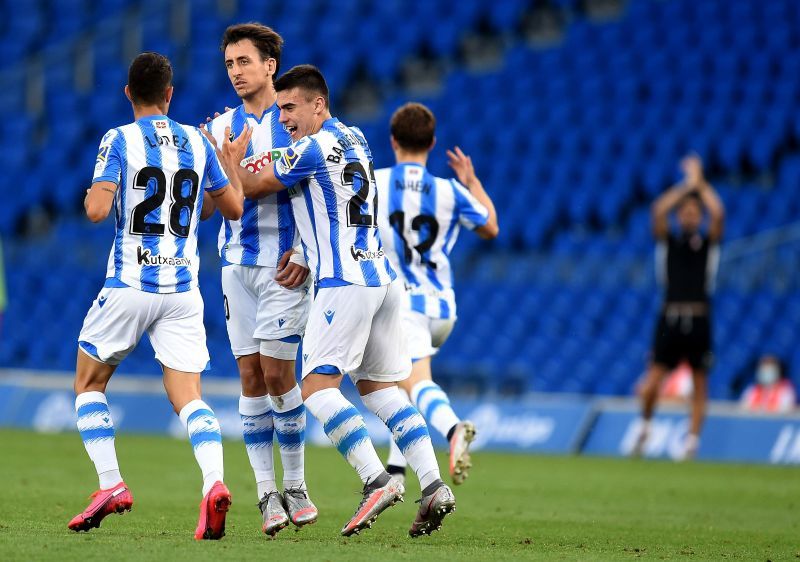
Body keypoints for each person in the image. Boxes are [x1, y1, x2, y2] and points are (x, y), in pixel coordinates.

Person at [212, 65, 456, 538]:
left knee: (318, 390)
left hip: (344, 282)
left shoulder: (311, 147)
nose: (283, 118)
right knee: (382, 390)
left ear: (318, 104)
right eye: (279, 109)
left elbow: (250, 188)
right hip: (383, 279)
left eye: (290, 107)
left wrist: (230, 161)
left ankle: (375, 479)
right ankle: (432, 486)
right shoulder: (357, 138)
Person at [68, 52, 244, 540]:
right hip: (183, 291)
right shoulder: (197, 139)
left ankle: (110, 484)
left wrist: (94, 193)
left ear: (129, 93)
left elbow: (98, 212)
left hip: (130, 283)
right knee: (188, 398)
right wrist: (220, 171)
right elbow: (228, 208)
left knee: (88, 383)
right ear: (170, 94)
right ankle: (214, 483)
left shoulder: (118, 140)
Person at [201, 22, 316, 537]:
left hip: (284, 267)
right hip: (235, 268)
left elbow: (322, 190)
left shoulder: (292, 121)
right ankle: (267, 494)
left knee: (277, 375)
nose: (236, 72)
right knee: (249, 378)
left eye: (244, 62)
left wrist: (311, 251)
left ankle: (296, 484)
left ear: (270, 66)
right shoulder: (218, 127)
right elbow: (209, 207)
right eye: (229, 64)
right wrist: (217, 178)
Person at [373, 102, 498, 486]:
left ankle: (452, 429)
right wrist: (471, 180)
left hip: (403, 303)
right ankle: (396, 470)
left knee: (414, 382)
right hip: (443, 308)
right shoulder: (450, 190)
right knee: (398, 384)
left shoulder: (374, 182)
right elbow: (491, 227)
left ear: (393, 141)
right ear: (432, 143)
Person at [633, 154, 724, 460]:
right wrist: (688, 186)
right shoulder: (668, 243)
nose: (688, 215)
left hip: (699, 319)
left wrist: (700, 185)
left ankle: (692, 442)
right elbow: (658, 209)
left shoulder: (708, 246)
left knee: (700, 383)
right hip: (670, 317)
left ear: (699, 217)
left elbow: (719, 213)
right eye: (684, 211)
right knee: (652, 384)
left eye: (693, 211)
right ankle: (645, 426)